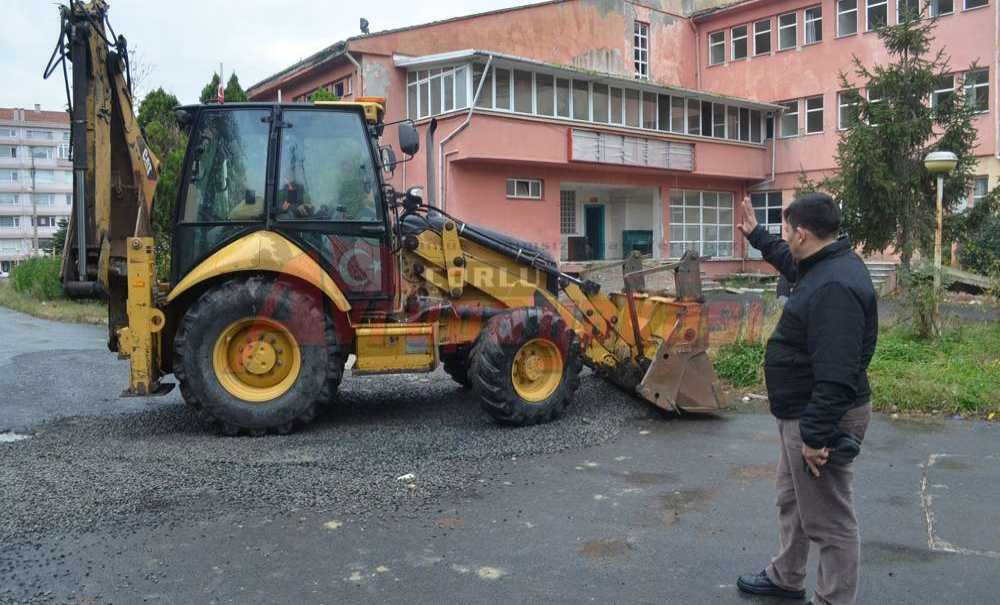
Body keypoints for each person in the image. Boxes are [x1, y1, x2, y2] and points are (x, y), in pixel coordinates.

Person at [735, 193, 878, 605]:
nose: (784, 239)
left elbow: (837, 374)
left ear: (802, 233)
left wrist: (815, 436)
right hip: (802, 412)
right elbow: (789, 260)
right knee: (792, 499)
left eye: (784, 230)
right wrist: (757, 235)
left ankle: (832, 599)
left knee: (829, 520)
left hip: (820, 416)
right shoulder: (822, 262)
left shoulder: (834, 286)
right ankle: (786, 576)